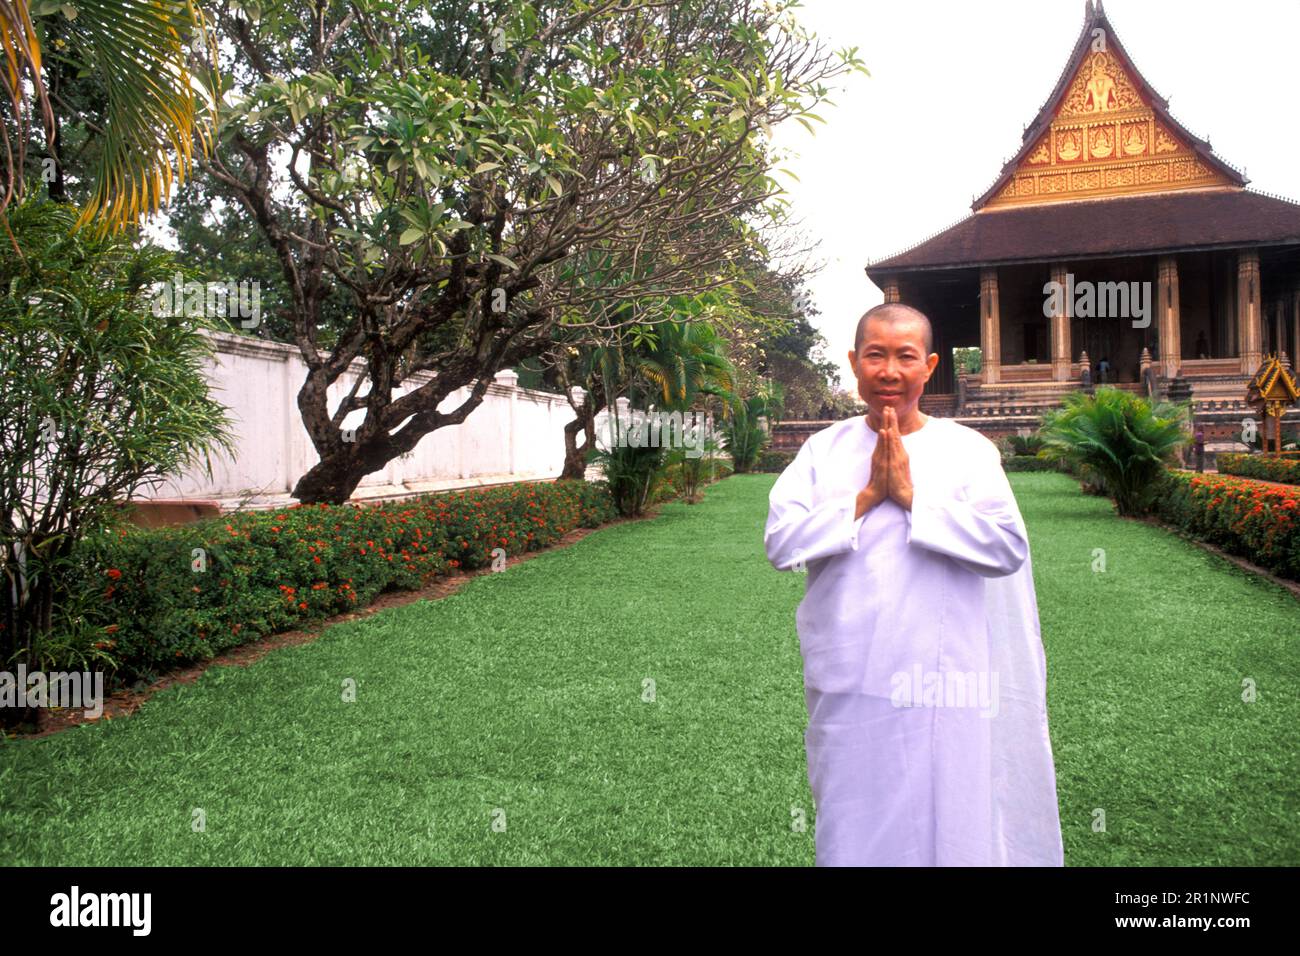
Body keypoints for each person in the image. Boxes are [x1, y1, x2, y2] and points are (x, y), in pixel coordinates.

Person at [764, 303, 1064, 867]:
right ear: (854, 364)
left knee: (950, 814)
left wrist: (912, 499)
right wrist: (864, 499)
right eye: (875, 355)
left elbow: (1007, 548)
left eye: (905, 357)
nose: (889, 371)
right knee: (854, 817)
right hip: (850, 676)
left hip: (946, 681)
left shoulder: (968, 451)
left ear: (929, 366)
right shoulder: (821, 451)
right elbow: (781, 544)